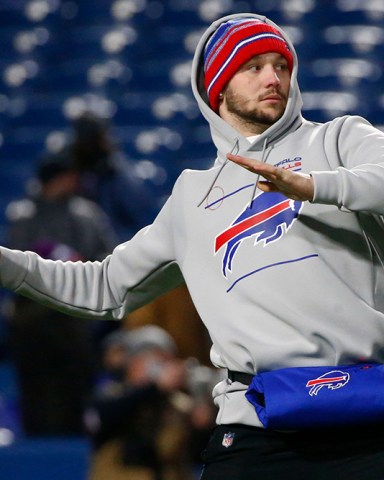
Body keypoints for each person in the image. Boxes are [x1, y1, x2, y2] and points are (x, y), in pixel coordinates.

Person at [1, 11, 384, 478]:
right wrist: (7, 265)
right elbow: (104, 288)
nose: (273, 77)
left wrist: (314, 187)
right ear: (218, 86)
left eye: (281, 65)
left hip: (365, 411)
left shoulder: (340, 139)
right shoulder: (191, 197)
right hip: (255, 425)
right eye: (253, 66)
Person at [4, 150, 117, 436]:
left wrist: (81, 264)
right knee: (36, 389)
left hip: (76, 310)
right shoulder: (24, 216)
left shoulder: (86, 213)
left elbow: (110, 259)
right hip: (34, 316)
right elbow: (11, 266)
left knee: (75, 388)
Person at [85, 325, 212, 480]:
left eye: (165, 362)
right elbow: (101, 418)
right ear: (134, 363)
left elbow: (198, 452)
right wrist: (153, 388)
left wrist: (202, 420)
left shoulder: (177, 403)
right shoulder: (113, 392)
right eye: (154, 362)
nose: (160, 370)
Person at [68, 112, 160, 241]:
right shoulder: (71, 169)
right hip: (81, 243)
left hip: (117, 243)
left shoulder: (116, 171)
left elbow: (139, 210)